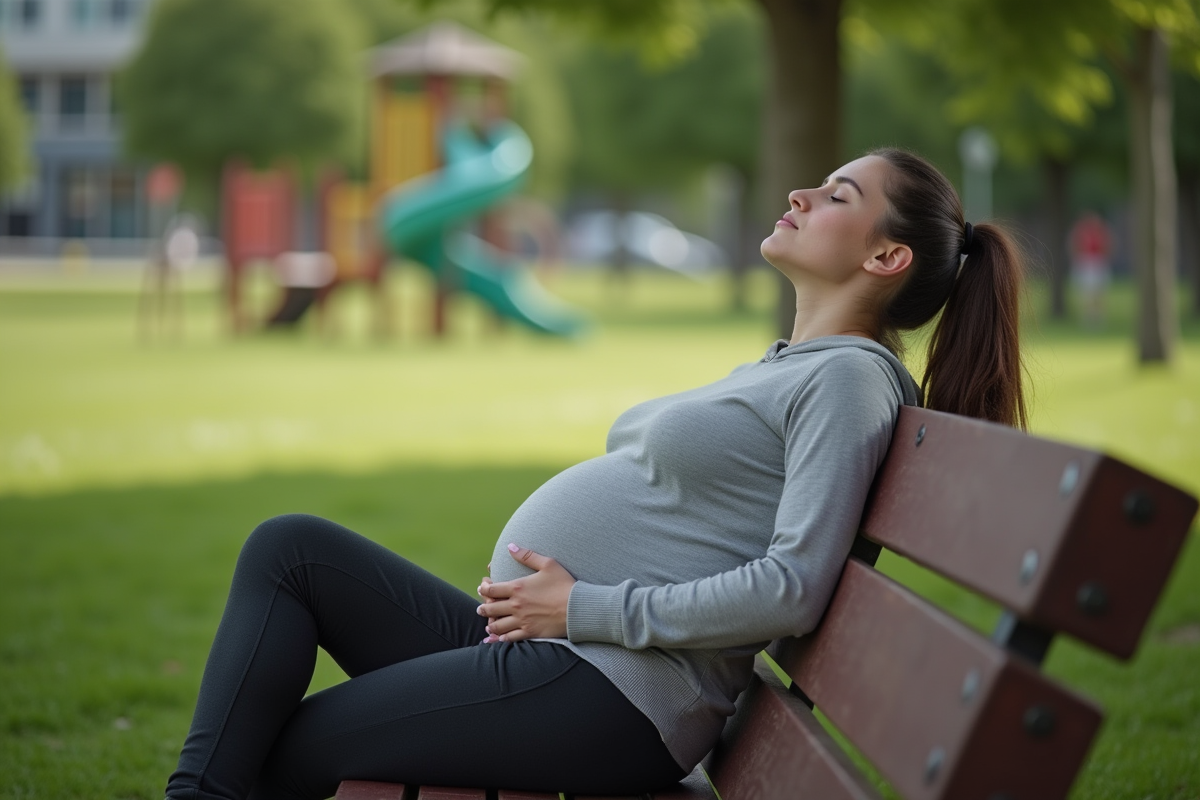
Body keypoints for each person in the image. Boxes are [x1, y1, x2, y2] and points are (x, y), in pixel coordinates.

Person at [165, 149, 1026, 800]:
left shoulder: (846, 381)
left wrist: (580, 607)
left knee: (288, 746)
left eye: (839, 196)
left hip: (609, 693)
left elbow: (791, 589)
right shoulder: (797, 365)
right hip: (557, 654)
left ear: (885, 259)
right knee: (293, 552)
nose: (800, 194)